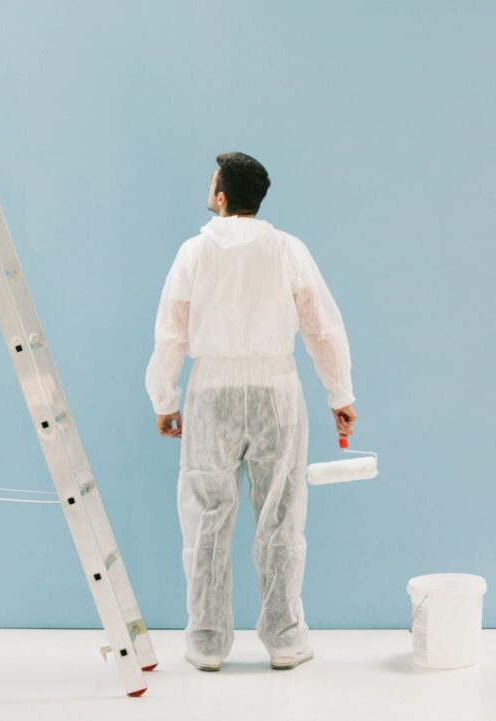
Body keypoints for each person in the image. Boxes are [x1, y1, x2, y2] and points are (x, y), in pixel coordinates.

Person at [144, 152, 357, 672]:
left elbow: (172, 328)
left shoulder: (194, 253)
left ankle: (207, 643)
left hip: (211, 389)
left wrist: (165, 398)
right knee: (282, 513)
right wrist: (340, 394)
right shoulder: (288, 250)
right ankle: (285, 639)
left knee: (206, 516)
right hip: (274, 387)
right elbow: (321, 326)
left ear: (221, 197)